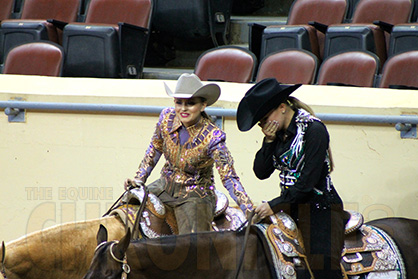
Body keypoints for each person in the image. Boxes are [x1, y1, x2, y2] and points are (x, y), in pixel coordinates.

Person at [236, 78, 346, 279]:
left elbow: (307, 183)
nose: (264, 125)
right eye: (260, 123)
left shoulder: (314, 131)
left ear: (282, 107)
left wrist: (274, 204)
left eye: (265, 118)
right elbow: (261, 172)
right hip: (291, 205)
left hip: (320, 206)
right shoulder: (278, 135)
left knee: (322, 266)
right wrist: (268, 141)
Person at [125, 73, 253, 235]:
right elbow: (154, 149)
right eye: (179, 102)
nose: (183, 108)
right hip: (163, 186)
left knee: (192, 245)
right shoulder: (166, 118)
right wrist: (139, 179)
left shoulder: (213, 136)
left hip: (195, 195)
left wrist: (248, 209)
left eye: (190, 103)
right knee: (126, 207)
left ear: (203, 105)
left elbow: (228, 176)